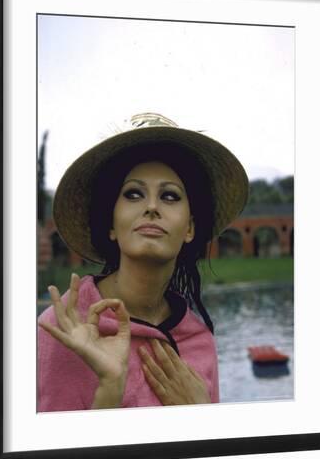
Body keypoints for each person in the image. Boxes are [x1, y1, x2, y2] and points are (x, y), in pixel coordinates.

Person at [38, 113, 248, 411]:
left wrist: (202, 413)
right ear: (111, 224)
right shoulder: (62, 330)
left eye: (170, 196)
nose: (151, 207)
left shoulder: (200, 341)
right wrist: (110, 389)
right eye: (134, 194)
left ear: (189, 229)